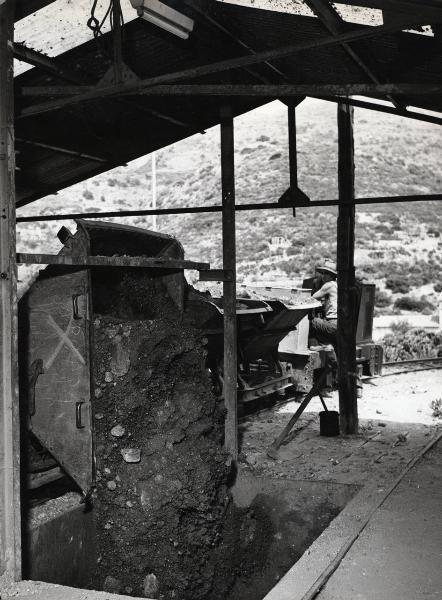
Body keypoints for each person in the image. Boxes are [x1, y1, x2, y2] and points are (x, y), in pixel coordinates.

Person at [309, 260, 338, 351]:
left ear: (332, 275)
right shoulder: (337, 285)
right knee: (320, 323)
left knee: (309, 322)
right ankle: (326, 344)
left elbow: (311, 299)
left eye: (326, 273)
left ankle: (313, 345)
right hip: (341, 325)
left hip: (333, 325)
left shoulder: (328, 285)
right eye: (322, 273)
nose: (323, 276)